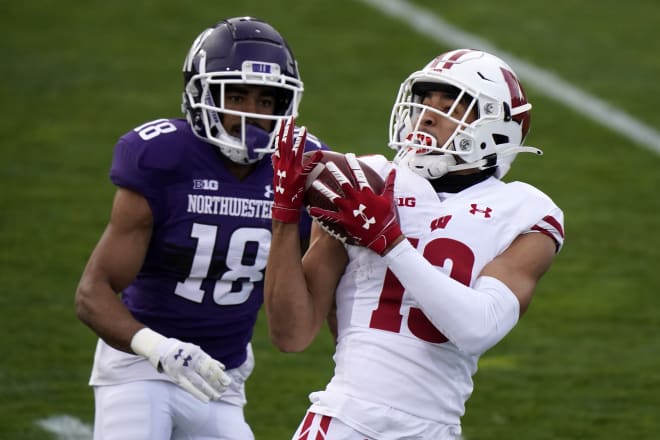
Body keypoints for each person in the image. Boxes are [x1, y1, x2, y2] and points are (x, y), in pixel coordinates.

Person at [265, 49, 565, 439]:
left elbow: (479, 328)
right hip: (344, 418)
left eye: (451, 105)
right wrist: (285, 220)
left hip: (434, 428)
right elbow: (291, 334)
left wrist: (391, 244)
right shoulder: (364, 183)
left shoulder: (523, 210)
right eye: (424, 101)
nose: (426, 114)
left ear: (496, 126)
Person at [75, 17, 328, 439]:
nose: (251, 114)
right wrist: (157, 348)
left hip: (222, 378)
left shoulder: (304, 168)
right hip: (138, 363)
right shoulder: (163, 157)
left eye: (267, 101)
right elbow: (92, 293)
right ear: (203, 94)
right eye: (237, 95)